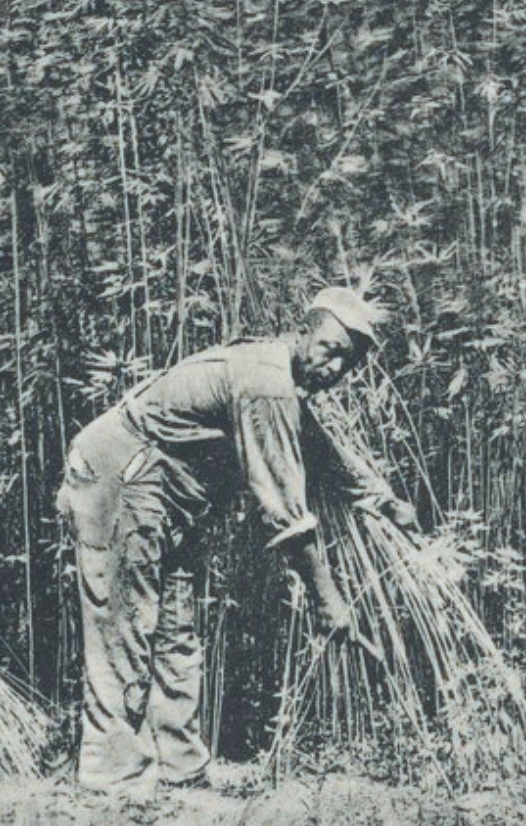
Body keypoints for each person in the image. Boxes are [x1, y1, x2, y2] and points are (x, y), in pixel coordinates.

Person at [56, 287, 416, 798]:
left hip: (166, 498)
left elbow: (319, 449)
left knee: (175, 627)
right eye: (331, 349)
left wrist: (385, 501)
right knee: (124, 625)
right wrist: (327, 599)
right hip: (120, 477)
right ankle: (113, 777)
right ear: (304, 330)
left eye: (349, 363)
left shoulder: (279, 380)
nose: (336, 368)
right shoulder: (266, 382)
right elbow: (286, 510)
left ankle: (180, 767)